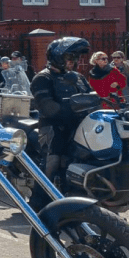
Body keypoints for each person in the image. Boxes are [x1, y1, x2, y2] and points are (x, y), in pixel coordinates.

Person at [29, 37, 95, 211]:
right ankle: (38, 203)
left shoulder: (78, 78)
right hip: (53, 126)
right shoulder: (43, 78)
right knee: (52, 160)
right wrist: (71, 109)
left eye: (75, 58)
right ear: (57, 57)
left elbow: (91, 97)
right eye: (69, 57)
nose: (73, 62)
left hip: (79, 125)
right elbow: (48, 107)